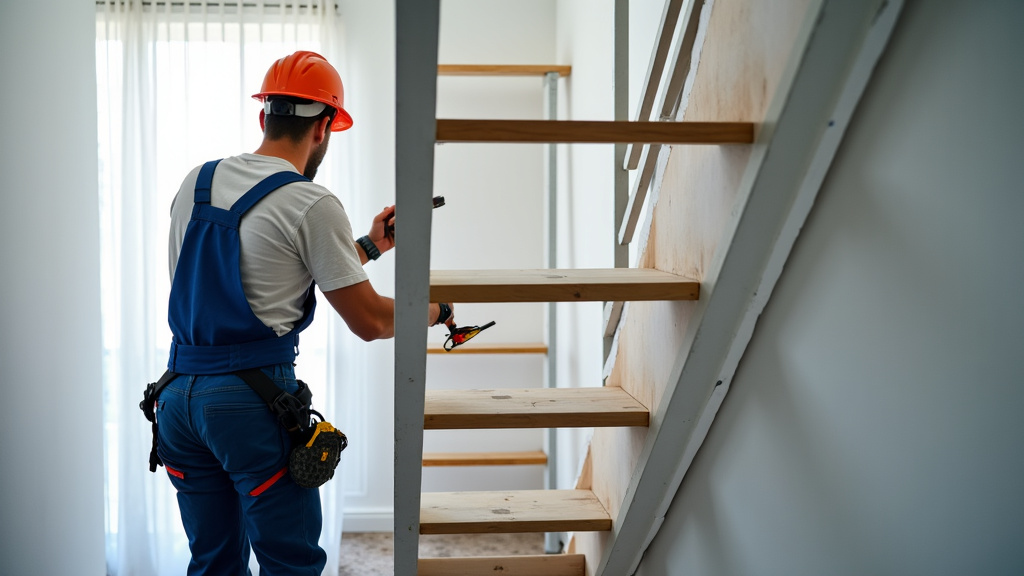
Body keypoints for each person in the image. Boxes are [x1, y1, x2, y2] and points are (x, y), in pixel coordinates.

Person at [154, 50, 454, 575]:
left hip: (178, 400)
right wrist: (434, 310)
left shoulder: (194, 184)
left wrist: (371, 245)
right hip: (248, 405)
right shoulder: (311, 203)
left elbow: (256, 268)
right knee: (289, 563)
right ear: (323, 130)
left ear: (264, 117)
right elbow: (372, 322)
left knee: (213, 562)